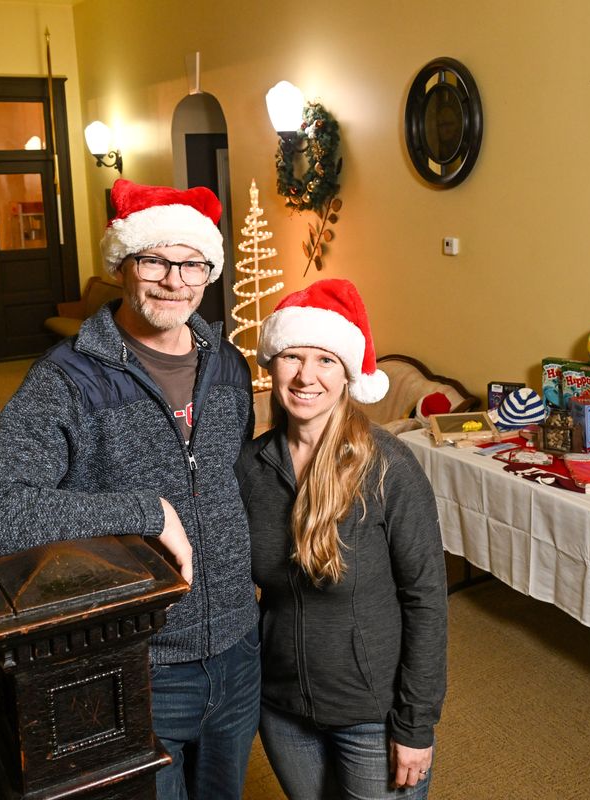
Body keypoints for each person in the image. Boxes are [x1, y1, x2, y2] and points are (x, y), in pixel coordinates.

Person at [0, 179, 260, 800]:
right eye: (155, 259)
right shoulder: (64, 381)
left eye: (192, 263)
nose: (174, 280)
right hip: (139, 662)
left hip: (238, 650)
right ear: (123, 264)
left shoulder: (229, 364)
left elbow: (226, 476)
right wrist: (143, 510)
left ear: (209, 272)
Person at [235, 279, 448, 798]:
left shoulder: (389, 468)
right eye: (292, 357)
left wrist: (416, 725)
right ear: (271, 366)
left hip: (370, 714)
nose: (306, 376)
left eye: (325, 360)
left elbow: (426, 600)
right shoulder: (251, 467)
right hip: (281, 705)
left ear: (348, 373)